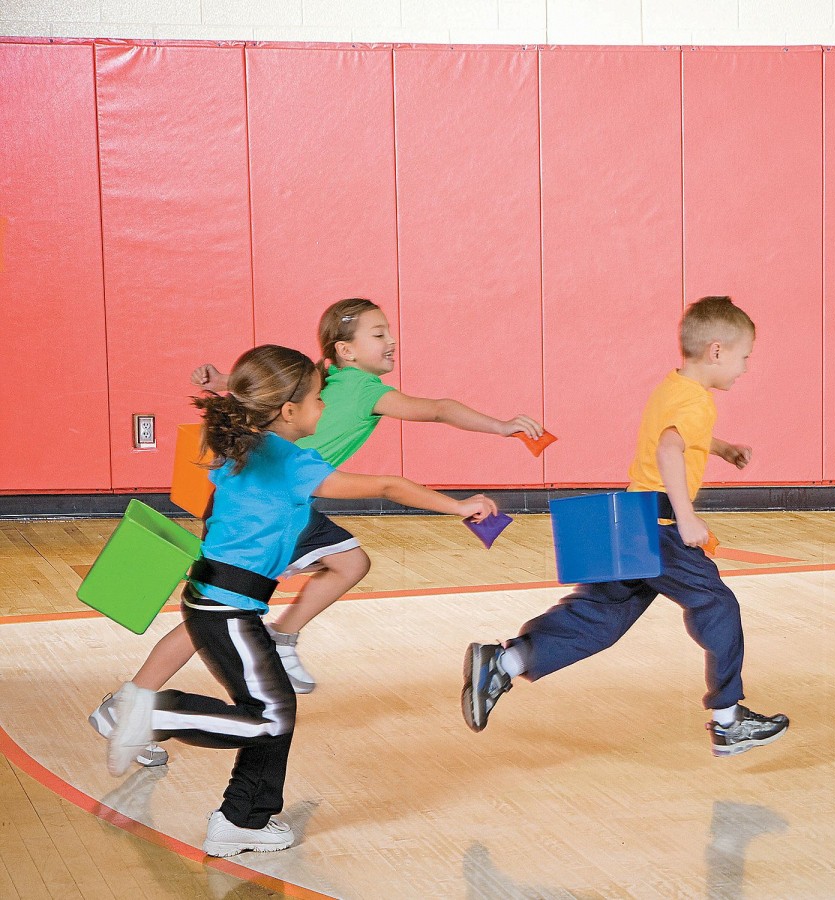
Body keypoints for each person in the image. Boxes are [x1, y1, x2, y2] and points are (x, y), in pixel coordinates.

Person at [90, 298, 543, 765]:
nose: (392, 341)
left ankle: (166, 687)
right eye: (378, 333)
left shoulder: (321, 380)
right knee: (219, 618)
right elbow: (436, 414)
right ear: (344, 350)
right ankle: (143, 703)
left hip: (266, 497)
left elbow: (268, 387)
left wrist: (228, 383)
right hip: (280, 502)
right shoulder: (363, 391)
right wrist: (492, 444)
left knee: (241, 602)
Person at [105, 344, 496, 857]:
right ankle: (153, 715)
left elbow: (248, 522)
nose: (325, 409)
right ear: (288, 412)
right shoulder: (289, 462)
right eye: (317, 400)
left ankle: (242, 820)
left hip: (215, 601)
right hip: (228, 610)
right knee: (268, 716)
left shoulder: (244, 446)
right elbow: (386, 484)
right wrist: (458, 506)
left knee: (274, 708)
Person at [461, 296, 789, 757]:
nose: (746, 368)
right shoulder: (696, 401)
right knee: (716, 603)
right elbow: (670, 451)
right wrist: (687, 516)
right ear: (717, 351)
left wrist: (722, 448)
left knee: (603, 615)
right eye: (744, 357)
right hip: (660, 527)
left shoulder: (674, 387)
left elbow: (677, 435)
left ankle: (505, 660)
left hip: (631, 521)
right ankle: (728, 719)